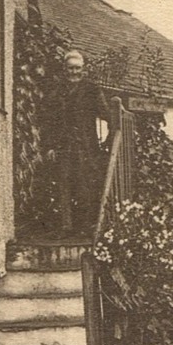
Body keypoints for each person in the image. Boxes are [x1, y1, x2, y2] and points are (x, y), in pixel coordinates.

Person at [46, 49, 111, 236]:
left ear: (83, 69)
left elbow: (107, 115)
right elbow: (49, 120)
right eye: (70, 68)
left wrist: (107, 141)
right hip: (63, 145)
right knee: (63, 184)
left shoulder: (92, 90)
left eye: (77, 68)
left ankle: (84, 228)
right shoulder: (56, 91)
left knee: (84, 185)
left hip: (86, 146)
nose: (74, 72)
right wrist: (49, 146)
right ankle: (65, 227)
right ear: (64, 69)